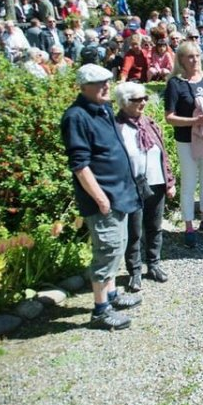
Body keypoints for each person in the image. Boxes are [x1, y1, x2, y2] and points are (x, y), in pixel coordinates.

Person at [61, 64, 142, 330]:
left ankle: (111, 294)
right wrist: (100, 198)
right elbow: (80, 165)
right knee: (106, 251)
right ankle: (100, 311)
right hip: (103, 198)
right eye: (99, 83)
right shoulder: (76, 117)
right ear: (83, 88)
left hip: (120, 192)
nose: (107, 86)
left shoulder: (104, 108)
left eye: (108, 81)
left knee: (118, 245)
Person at [114, 82, 176, 292]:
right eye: (137, 99)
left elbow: (163, 154)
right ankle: (134, 271)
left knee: (155, 226)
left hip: (156, 182)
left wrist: (169, 181)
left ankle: (154, 264)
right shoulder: (117, 128)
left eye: (144, 98)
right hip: (132, 186)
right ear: (124, 102)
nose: (142, 103)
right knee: (134, 231)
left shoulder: (149, 123)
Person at [164, 41, 203, 248]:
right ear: (181, 60)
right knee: (190, 184)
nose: (195, 60)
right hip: (186, 139)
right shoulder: (175, 83)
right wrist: (194, 121)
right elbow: (169, 117)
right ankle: (189, 225)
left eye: (197, 55)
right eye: (189, 56)